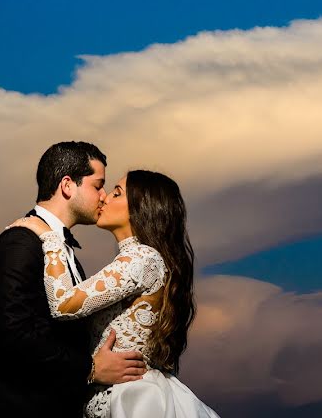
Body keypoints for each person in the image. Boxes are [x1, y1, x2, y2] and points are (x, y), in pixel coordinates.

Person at [13, 169, 220, 418]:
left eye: (117, 193)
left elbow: (63, 303)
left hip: (132, 401)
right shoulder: (135, 259)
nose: (104, 198)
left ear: (141, 208)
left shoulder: (143, 259)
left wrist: (49, 237)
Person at [0, 142, 147, 418]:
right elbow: (14, 336)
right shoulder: (19, 242)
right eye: (97, 185)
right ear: (67, 185)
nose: (103, 196)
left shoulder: (63, 252)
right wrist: (91, 369)